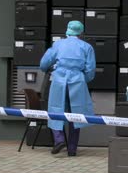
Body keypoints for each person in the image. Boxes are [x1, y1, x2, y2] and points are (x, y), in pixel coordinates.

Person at [40, 20, 96, 156]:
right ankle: (72, 149)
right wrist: (83, 79)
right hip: (77, 80)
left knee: (55, 110)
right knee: (76, 114)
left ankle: (59, 139)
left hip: (59, 80)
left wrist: (51, 69)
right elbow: (90, 70)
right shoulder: (87, 47)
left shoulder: (58, 44)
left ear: (68, 30)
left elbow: (43, 63)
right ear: (81, 32)